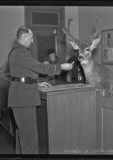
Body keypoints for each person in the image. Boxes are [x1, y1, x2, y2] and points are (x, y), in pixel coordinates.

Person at [7, 26, 73, 154]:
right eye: (31, 38)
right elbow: (39, 67)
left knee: (23, 137)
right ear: (25, 37)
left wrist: (35, 84)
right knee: (29, 139)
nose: (32, 41)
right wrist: (61, 67)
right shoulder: (20, 52)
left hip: (21, 95)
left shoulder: (17, 51)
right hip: (23, 99)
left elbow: (21, 75)